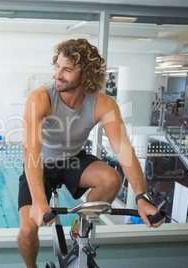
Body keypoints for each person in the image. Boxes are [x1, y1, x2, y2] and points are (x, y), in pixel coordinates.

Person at [17, 38, 162, 268]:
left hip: (73, 159)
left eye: (67, 69)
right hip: (40, 163)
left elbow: (124, 150)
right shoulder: (40, 98)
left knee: (111, 179)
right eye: (57, 66)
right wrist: (37, 200)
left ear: (85, 75)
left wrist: (142, 197)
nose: (58, 74)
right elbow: (31, 150)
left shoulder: (104, 104)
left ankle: (79, 229)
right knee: (26, 230)